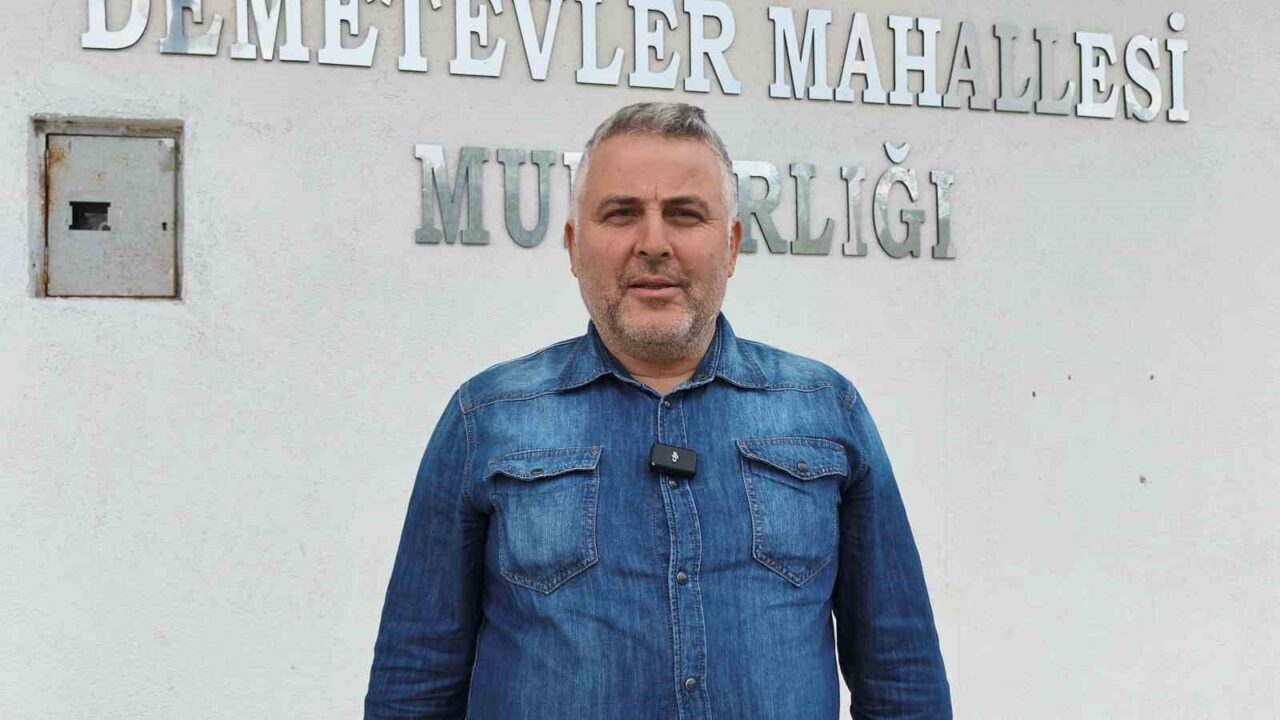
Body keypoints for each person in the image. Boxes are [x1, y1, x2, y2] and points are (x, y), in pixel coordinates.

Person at [364, 102, 951, 719]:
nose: (652, 244)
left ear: (731, 245)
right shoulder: (486, 419)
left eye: (684, 214)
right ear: (573, 246)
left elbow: (901, 673)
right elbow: (415, 677)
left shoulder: (826, 411)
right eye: (621, 213)